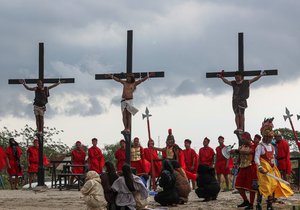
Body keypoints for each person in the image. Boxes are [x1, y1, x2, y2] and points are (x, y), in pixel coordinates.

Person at [254, 119, 293, 210]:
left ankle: (269, 205)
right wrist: (259, 166)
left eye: (271, 138)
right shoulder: (260, 146)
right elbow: (256, 157)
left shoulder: (272, 146)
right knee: (264, 186)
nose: (270, 139)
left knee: (273, 185)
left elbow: (273, 158)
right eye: (269, 138)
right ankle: (258, 203)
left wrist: (275, 168)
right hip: (263, 169)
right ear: (265, 137)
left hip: (271, 169)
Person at [233, 132, 257, 210]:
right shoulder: (242, 146)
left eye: (244, 139)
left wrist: (237, 151)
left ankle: (251, 204)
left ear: (248, 138)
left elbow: (249, 152)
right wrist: (237, 161)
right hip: (242, 167)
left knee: (251, 187)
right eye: (242, 139)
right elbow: (240, 155)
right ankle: (245, 200)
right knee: (238, 185)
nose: (243, 140)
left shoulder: (254, 146)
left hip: (251, 167)